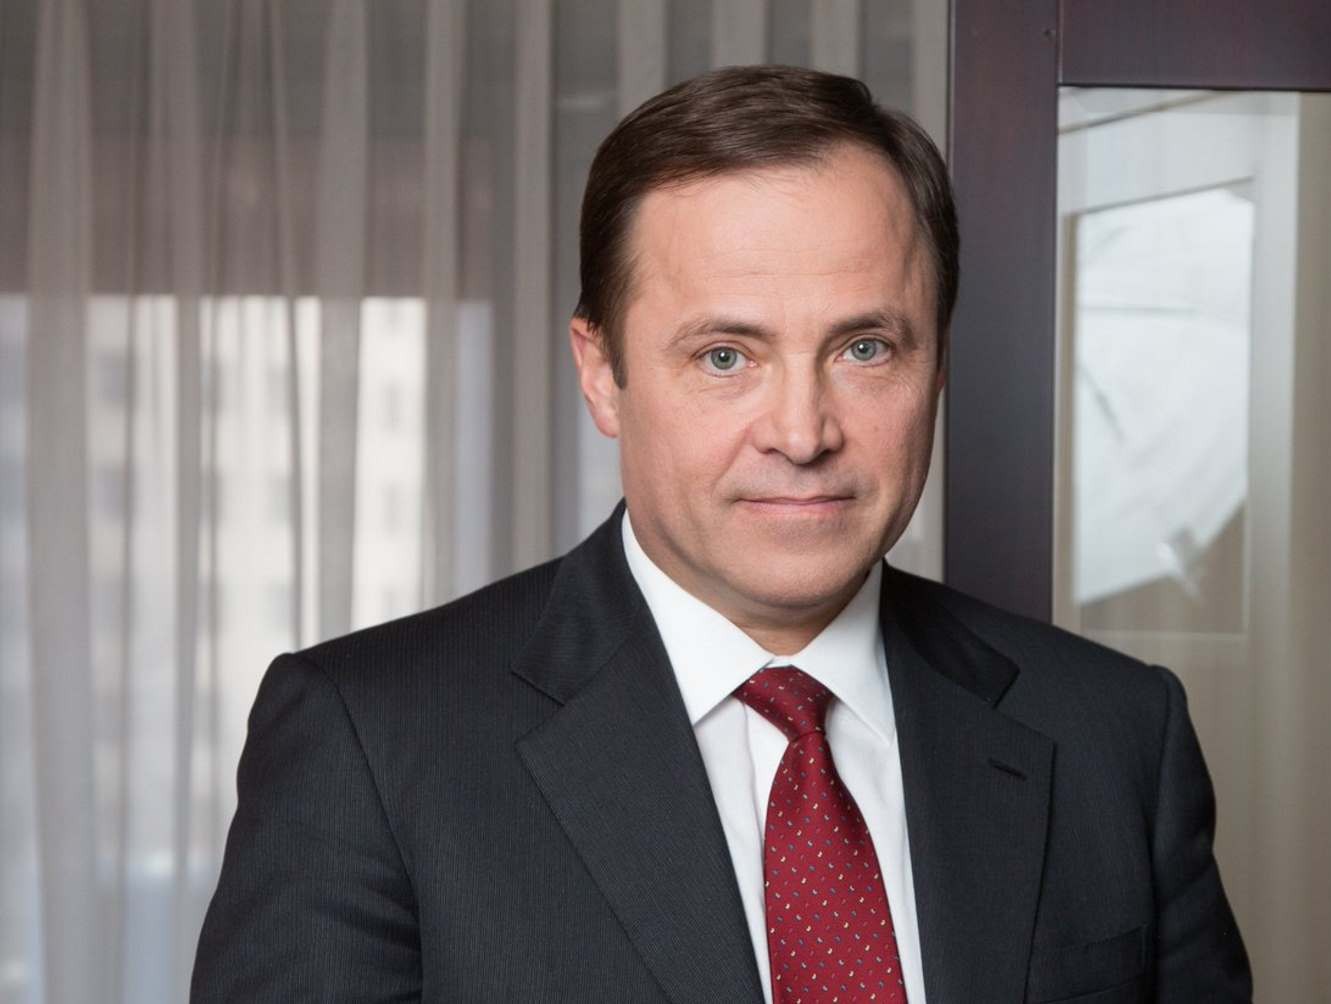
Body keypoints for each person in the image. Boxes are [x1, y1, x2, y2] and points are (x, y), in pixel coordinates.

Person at [191, 65, 1250, 1003]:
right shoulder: (369, 743)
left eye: (864, 348)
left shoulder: (1114, 735)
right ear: (600, 373)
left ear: (936, 364)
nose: (802, 432)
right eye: (724, 357)